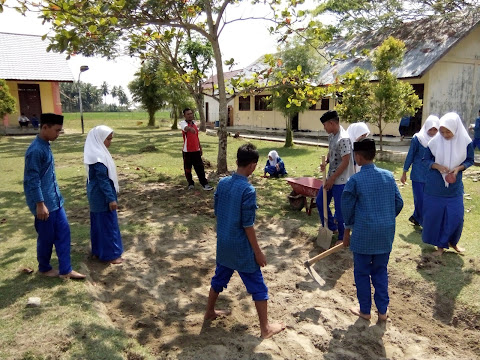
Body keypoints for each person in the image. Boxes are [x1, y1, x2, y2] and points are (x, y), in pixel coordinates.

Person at [204, 143, 285, 339]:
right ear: (253, 166)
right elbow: (248, 225)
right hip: (241, 248)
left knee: (219, 279)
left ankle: (209, 312)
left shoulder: (222, 183)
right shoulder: (248, 190)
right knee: (258, 287)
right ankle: (265, 329)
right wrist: (257, 252)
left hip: (223, 243)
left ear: (237, 161)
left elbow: (217, 211)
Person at [342, 138, 403, 321]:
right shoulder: (388, 176)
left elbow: (347, 209)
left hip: (363, 234)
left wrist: (348, 229)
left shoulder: (355, 180)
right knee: (380, 271)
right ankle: (383, 311)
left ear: (358, 157)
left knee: (362, 272)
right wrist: (386, 218)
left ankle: (365, 310)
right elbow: (399, 203)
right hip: (385, 234)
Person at [23, 113, 86, 279]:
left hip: (56, 201)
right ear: (45, 127)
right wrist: (39, 204)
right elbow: (32, 180)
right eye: (56, 130)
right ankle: (44, 268)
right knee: (46, 238)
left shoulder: (45, 145)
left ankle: (66, 270)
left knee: (64, 234)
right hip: (44, 205)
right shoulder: (35, 150)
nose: (58, 134)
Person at [422, 112, 474, 256]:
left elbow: (469, 160)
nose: (444, 135)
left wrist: (458, 168)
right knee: (436, 216)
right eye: (442, 131)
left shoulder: (466, 142)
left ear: (456, 129)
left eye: (448, 132)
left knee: (456, 216)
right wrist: (437, 166)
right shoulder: (434, 142)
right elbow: (426, 160)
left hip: (454, 187)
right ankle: (440, 246)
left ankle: (453, 242)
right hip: (435, 186)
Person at [84, 125, 123, 264]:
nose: (109, 142)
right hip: (102, 197)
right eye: (108, 139)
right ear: (100, 139)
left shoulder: (95, 153)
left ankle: (97, 251)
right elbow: (103, 181)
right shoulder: (98, 157)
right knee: (107, 225)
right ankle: (111, 255)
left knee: (98, 224)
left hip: (95, 195)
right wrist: (111, 199)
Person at [316, 110, 355, 246]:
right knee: (320, 201)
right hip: (330, 176)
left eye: (325, 125)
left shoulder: (343, 139)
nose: (324, 128)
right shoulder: (332, 136)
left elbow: (346, 161)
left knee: (340, 209)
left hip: (342, 180)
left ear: (332, 123)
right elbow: (331, 152)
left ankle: (343, 236)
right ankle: (331, 228)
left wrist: (332, 179)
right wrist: (326, 161)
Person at [400, 115, 440, 227]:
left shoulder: (439, 140)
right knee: (420, 199)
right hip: (418, 174)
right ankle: (423, 222)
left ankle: (417, 217)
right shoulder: (417, 138)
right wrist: (404, 171)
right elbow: (411, 155)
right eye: (430, 129)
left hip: (432, 174)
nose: (432, 132)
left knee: (429, 199)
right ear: (426, 128)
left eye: (435, 129)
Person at [180, 108, 213, 191]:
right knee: (187, 169)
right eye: (188, 114)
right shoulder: (183, 123)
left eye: (191, 113)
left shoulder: (194, 124)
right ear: (184, 115)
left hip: (196, 150)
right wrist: (190, 129)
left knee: (200, 168)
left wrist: (200, 147)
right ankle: (190, 184)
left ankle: (205, 184)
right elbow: (185, 128)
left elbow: (196, 137)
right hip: (187, 151)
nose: (190, 115)